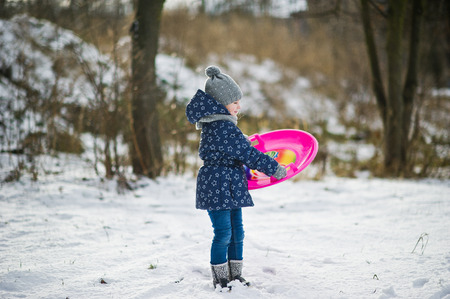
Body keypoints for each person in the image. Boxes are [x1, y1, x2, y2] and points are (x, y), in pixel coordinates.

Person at [185, 65, 287, 290]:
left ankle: (235, 275)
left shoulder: (221, 125)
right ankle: (220, 278)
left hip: (229, 182)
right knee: (223, 233)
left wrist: (243, 144)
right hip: (218, 183)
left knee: (237, 231)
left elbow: (239, 149)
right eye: (234, 102)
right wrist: (275, 169)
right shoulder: (223, 127)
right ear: (221, 103)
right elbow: (249, 154)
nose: (239, 106)